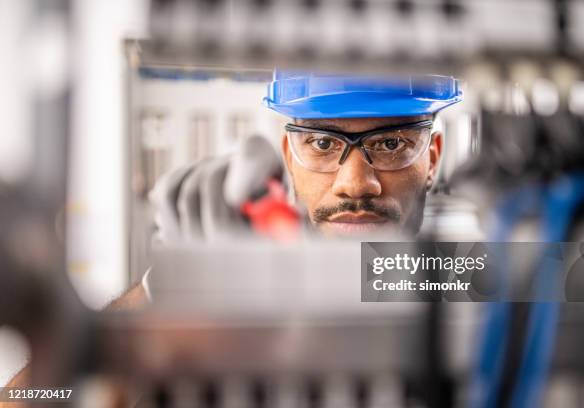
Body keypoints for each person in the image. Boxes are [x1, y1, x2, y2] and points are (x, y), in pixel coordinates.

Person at [2, 70, 461, 392]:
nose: (356, 182)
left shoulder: (473, 278)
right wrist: (158, 292)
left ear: (433, 157)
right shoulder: (209, 325)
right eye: (322, 143)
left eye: (391, 144)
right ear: (288, 155)